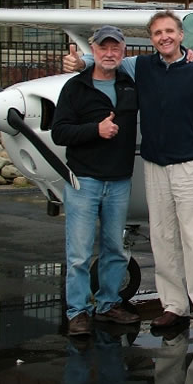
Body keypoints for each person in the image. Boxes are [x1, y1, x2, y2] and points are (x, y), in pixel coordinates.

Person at [63, 10, 193, 336]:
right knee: (164, 239)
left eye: (170, 31)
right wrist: (80, 62)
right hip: (156, 165)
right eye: (157, 33)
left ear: (181, 35)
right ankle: (173, 306)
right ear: (151, 39)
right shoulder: (140, 66)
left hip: (192, 165)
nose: (164, 37)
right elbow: (106, 60)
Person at [53, 25, 140, 336]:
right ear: (94, 49)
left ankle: (108, 304)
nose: (109, 52)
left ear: (123, 51)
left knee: (114, 248)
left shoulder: (131, 86)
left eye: (115, 47)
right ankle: (77, 311)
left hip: (119, 180)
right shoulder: (75, 88)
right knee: (78, 253)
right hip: (84, 181)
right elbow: (59, 132)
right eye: (103, 47)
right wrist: (95, 130)